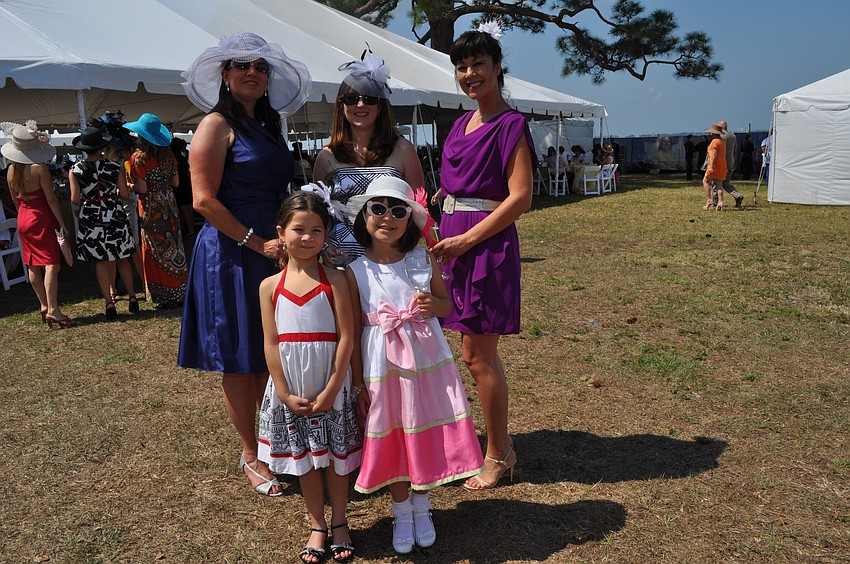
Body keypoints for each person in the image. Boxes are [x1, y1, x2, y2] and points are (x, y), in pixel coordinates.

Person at [178, 32, 311, 497]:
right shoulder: (215, 124)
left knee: (269, 351)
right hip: (233, 252)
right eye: (242, 65)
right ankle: (251, 455)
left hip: (274, 247)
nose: (252, 72)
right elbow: (203, 201)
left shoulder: (268, 126)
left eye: (261, 65)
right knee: (240, 358)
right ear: (225, 74)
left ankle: (274, 442)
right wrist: (257, 242)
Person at [345, 176, 484, 554]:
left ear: (410, 218)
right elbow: (353, 327)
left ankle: (422, 506)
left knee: (420, 429)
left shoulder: (421, 259)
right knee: (391, 432)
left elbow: (446, 305)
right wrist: (358, 382)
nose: (387, 218)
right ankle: (401, 511)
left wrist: (431, 307)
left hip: (425, 362)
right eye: (378, 209)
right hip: (382, 365)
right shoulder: (355, 270)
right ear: (364, 216)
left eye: (397, 210)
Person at [429, 22, 536, 490]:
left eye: (478, 65)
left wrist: (467, 239)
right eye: (462, 66)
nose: (470, 73)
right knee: (464, 352)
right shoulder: (461, 122)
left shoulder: (511, 124)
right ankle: (487, 443)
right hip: (452, 243)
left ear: (497, 69)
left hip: (485, 246)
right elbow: (459, 180)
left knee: (478, 356)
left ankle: (500, 452)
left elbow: (520, 198)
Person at [257, 192, 361, 564]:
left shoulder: (336, 279)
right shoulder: (270, 286)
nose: (307, 237)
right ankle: (316, 523)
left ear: (327, 233)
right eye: (298, 230)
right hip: (292, 386)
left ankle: (339, 522)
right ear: (281, 233)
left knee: (334, 458)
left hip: (330, 381)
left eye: (316, 230)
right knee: (306, 459)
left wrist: (334, 387)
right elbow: (271, 342)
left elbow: (348, 335)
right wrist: (283, 392)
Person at [312, 49, 424, 264]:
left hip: (390, 260)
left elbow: (419, 210)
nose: (360, 105)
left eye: (369, 98)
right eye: (352, 98)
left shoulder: (403, 150)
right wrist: (324, 247)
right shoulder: (326, 156)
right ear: (342, 106)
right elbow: (317, 214)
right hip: (341, 262)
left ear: (381, 106)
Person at [1, 123, 75, 327]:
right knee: (52, 263)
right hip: (40, 217)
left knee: (32, 264)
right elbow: (51, 200)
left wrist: (23, 214)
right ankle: (53, 309)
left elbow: (15, 201)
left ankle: (43, 304)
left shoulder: (10, 171)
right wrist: (62, 224)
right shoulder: (39, 168)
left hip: (24, 217)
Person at [69, 127, 139, 320]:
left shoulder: (75, 170)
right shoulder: (114, 166)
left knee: (100, 260)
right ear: (101, 146)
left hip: (91, 217)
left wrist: (88, 196)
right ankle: (133, 298)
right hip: (114, 213)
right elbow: (124, 194)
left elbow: (75, 200)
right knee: (123, 257)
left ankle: (109, 301)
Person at [124, 113, 188, 307]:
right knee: (174, 244)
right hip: (169, 202)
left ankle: (161, 294)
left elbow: (142, 188)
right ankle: (179, 291)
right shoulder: (169, 155)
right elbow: (175, 182)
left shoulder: (138, 158)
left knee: (153, 248)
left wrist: (129, 184)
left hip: (151, 205)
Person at [715, 120, 745, 207]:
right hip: (730, 162)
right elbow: (735, 149)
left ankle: (716, 202)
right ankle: (737, 195)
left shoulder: (720, 136)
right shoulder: (733, 136)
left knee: (716, 183)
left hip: (721, 162)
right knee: (726, 183)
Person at [171, 136, 195, 238]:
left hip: (180, 184)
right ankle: (192, 227)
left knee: (183, 207)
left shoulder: (174, 157)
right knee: (188, 206)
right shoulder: (184, 154)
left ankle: (190, 229)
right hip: (186, 182)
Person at [703, 124, 727, 211]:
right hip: (722, 164)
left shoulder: (714, 142)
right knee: (719, 183)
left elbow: (714, 154)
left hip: (715, 164)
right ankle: (720, 202)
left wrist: (711, 166)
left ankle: (709, 199)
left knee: (705, 180)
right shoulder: (723, 141)